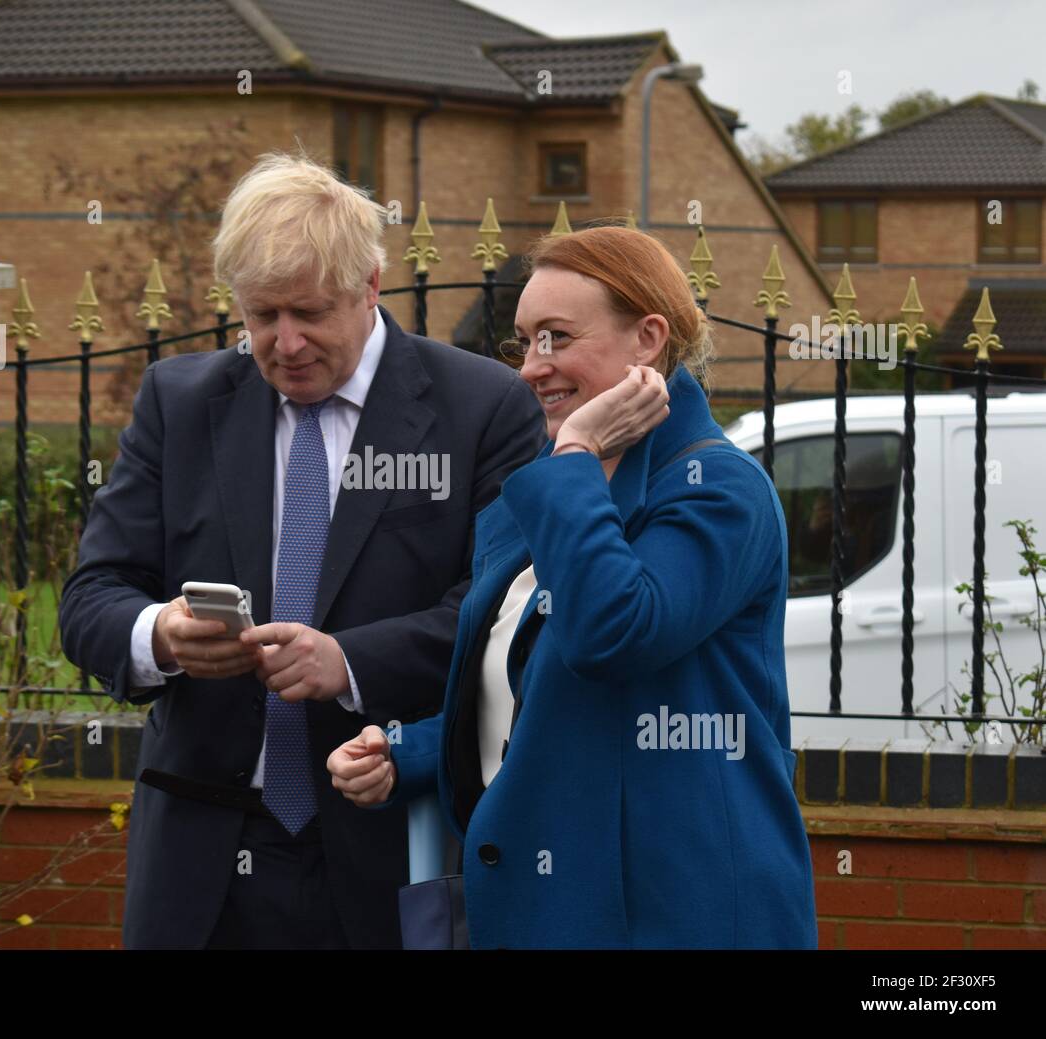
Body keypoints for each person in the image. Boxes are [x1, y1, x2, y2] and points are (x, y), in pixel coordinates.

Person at [59, 152, 545, 949]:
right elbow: (91, 596)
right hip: (198, 861)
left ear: (371, 286)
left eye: (310, 313)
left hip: (387, 847)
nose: (283, 343)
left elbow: (499, 614)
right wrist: (161, 635)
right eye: (260, 315)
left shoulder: (480, 409)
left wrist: (348, 662)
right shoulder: (179, 404)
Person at [328, 225, 817, 949]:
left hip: (677, 913)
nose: (531, 366)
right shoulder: (542, 496)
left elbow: (611, 633)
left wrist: (578, 451)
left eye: (555, 337)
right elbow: (536, 699)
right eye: (523, 341)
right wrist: (407, 751)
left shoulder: (717, 489)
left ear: (648, 338)